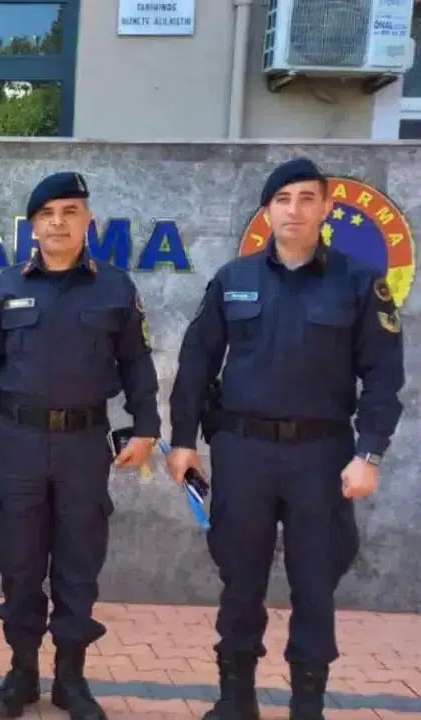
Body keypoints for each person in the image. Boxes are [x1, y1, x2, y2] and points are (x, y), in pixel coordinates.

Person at [167, 157, 404, 720]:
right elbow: (196, 364)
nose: (293, 210)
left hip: (320, 457)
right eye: (282, 200)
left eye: (305, 199)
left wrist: (369, 453)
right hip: (242, 453)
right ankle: (236, 699)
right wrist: (182, 441)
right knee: (239, 581)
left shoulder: (358, 283)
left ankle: (307, 705)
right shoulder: (233, 280)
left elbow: (383, 376)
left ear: (326, 208)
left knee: (315, 584)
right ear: (267, 211)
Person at [0, 171, 160, 720]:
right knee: (20, 561)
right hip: (18, 442)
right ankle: (21, 673)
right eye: (47, 214)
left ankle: (71, 679)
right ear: (32, 226)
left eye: (70, 211)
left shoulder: (114, 287)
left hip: (83, 444)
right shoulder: (7, 286)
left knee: (78, 562)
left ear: (87, 221)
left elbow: (136, 362)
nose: (58, 223)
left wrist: (146, 426)